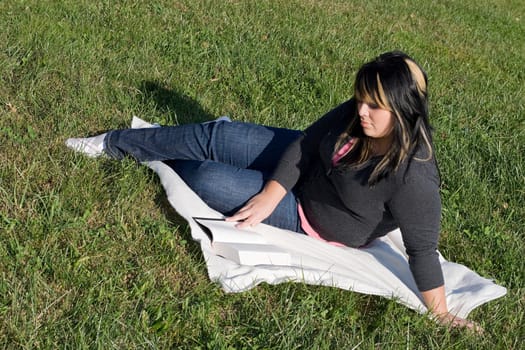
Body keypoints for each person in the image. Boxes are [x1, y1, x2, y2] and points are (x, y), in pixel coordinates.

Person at [66, 51, 480, 331]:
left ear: (404, 110)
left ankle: (164, 156)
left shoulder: (414, 176)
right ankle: (116, 142)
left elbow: (422, 251)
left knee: (208, 178)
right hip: (305, 164)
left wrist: (441, 314)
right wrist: (270, 192)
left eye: (374, 106)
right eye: (360, 99)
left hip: (310, 213)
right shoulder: (361, 111)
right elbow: (304, 142)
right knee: (219, 134)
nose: (360, 111)